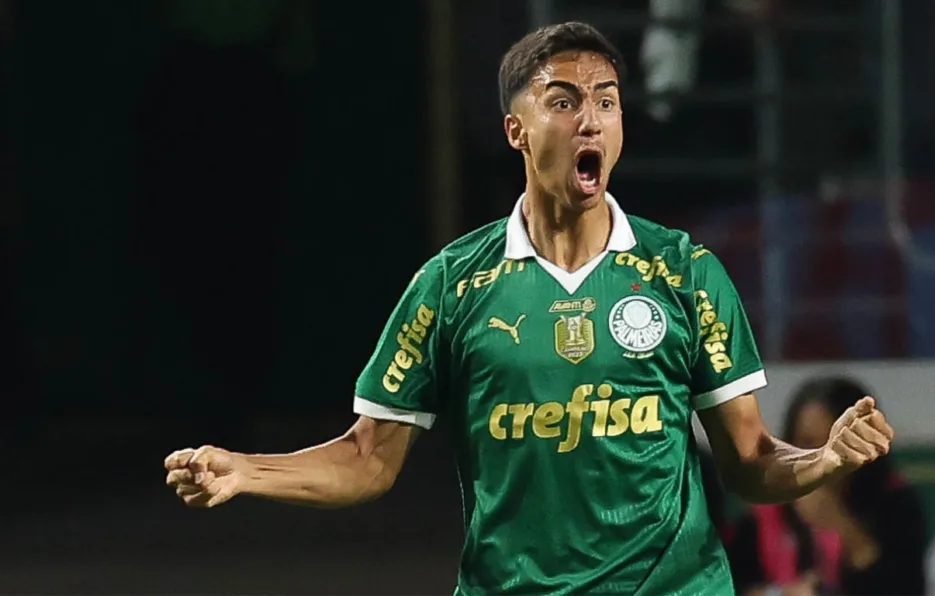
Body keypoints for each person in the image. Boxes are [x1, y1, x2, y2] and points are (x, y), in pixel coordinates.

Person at [164, 22, 896, 595]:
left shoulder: (684, 273)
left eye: (606, 101)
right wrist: (247, 471)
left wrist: (824, 458)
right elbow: (367, 461)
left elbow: (749, 462)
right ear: (517, 131)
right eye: (564, 101)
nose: (591, 120)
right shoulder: (452, 285)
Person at [727, 376, 926, 595]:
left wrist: (842, 527)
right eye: (807, 444)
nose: (823, 457)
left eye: (834, 445)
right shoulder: (764, 513)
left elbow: (904, 586)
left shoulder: (895, 505)